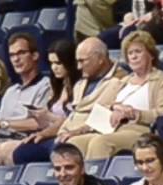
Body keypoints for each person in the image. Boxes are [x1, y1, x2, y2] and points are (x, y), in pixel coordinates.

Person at [66, 31, 163, 161]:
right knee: (74, 144)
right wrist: (79, 131)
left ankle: (95, 175)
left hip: (141, 131)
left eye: (138, 52)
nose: (133, 56)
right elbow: (105, 110)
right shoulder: (123, 81)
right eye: (130, 53)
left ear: (151, 55)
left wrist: (134, 114)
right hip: (112, 128)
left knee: (101, 142)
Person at [13, 37, 125, 167]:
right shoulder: (81, 82)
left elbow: (106, 117)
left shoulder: (119, 81)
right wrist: (44, 134)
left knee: (64, 150)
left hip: (82, 135)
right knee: (21, 152)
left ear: (100, 59)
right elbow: (70, 117)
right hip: (63, 134)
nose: (78, 67)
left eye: (82, 61)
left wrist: (76, 132)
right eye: (77, 61)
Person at [0, 39, 79, 166]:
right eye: (51, 63)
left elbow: (68, 119)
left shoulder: (73, 86)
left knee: (15, 152)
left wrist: (42, 131)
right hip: (43, 134)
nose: (54, 67)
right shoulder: (58, 87)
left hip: (58, 135)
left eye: (58, 63)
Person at [0, 33, 50, 165]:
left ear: (35, 55)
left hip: (25, 140)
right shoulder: (11, 91)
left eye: (21, 53)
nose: (16, 59)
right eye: (12, 55)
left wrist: (5, 124)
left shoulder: (45, 85)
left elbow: (40, 123)